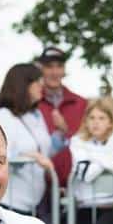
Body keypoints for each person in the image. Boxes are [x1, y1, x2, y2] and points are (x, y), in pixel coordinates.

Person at [0, 63, 66, 223]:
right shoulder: (4, 117)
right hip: (12, 202)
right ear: (23, 85)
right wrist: (30, 156)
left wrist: (61, 132)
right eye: (38, 81)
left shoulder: (36, 115)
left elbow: (44, 150)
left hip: (35, 203)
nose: (42, 85)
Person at [36, 46, 86, 189]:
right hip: (40, 183)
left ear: (64, 70)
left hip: (73, 182)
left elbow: (88, 138)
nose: (54, 72)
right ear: (41, 69)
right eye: (49, 67)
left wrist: (65, 130)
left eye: (59, 66)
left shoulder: (81, 103)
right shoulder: (31, 103)